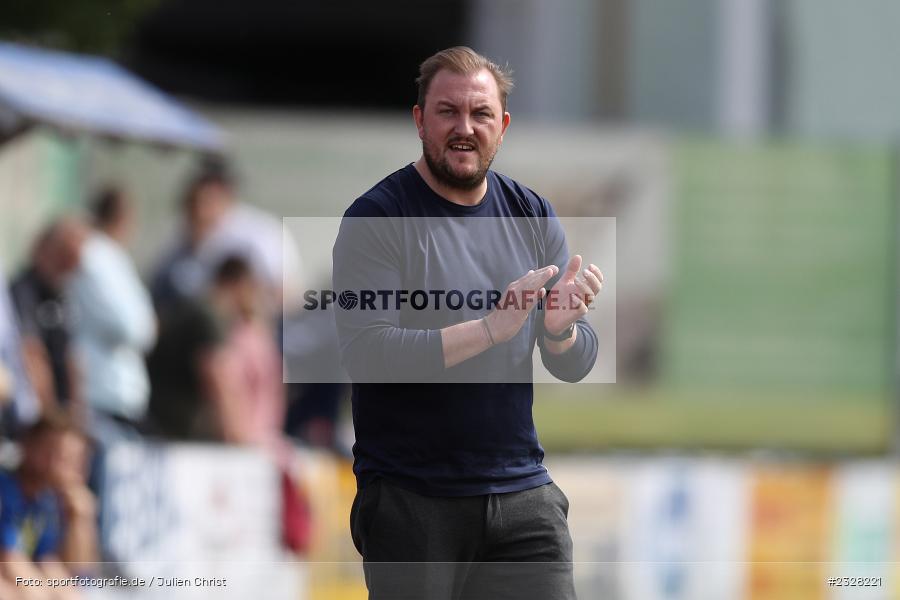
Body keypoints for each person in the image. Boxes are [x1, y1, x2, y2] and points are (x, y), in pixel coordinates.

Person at [333, 47, 604, 599]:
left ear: (501, 125)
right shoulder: (377, 218)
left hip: (522, 495)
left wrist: (559, 330)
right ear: (419, 120)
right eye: (447, 112)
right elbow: (369, 352)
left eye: (480, 114)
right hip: (413, 500)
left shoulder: (531, 215)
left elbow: (573, 361)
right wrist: (489, 329)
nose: (465, 128)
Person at [69, 186, 157, 436]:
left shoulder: (111, 255)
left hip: (117, 395)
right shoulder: (95, 255)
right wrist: (148, 325)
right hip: (100, 391)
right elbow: (133, 327)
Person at [0, 414, 98, 600]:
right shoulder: (5, 490)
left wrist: (82, 519)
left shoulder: (45, 502)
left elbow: (80, 575)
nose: (67, 466)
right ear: (28, 447)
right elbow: (8, 559)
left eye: (74, 458)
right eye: (55, 453)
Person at [9, 218, 88, 423]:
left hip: (63, 414)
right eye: (64, 256)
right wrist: (52, 419)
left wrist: (75, 414)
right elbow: (31, 354)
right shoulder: (23, 290)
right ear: (43, 248)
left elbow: (72, 358)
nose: (70, 267)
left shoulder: (63, 295)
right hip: (36, 415)